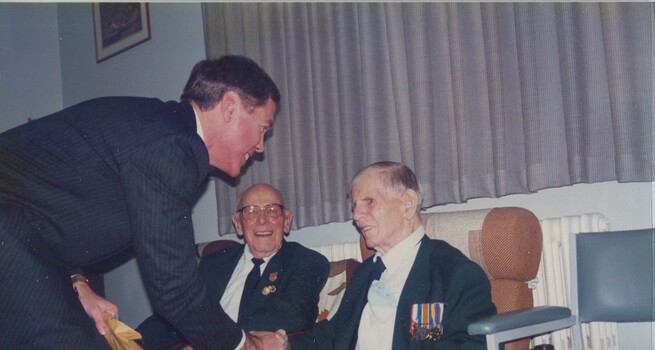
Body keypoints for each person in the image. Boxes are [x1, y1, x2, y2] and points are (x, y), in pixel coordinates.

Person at [0, 55, 289, 349]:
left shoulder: (161, 131)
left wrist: (78, 283)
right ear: (229, 107)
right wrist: (247, 346)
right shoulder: (172, 147)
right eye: (262, 129)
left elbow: (49, 210)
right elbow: (174, 288)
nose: (260, 147)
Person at [287, 161, 496, 349]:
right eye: (354, 206)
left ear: (407, 203)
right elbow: (335, 334)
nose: (356, 216)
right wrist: (283, 344)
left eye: (368, 201)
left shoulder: (453, 273)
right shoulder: (365, 273)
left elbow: (474, 344)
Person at [136, 183, 330, 350]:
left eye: (271, 210)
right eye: (251, 211)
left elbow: (290, 316)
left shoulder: (306, 261)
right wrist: (132, 340)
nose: (262, 220)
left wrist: (208, 343)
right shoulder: (213, 263)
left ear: (286, 220)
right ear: (238, 224)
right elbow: (179, 313)